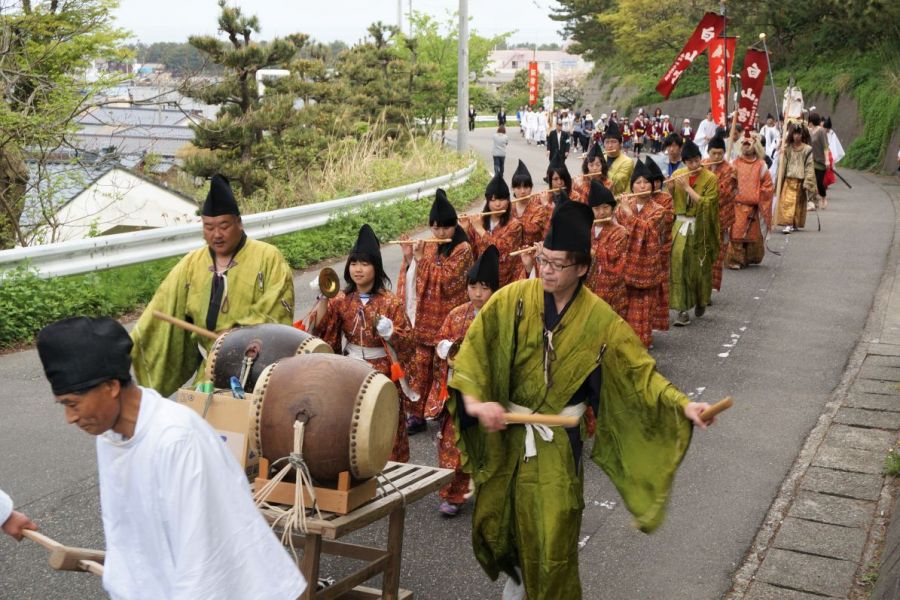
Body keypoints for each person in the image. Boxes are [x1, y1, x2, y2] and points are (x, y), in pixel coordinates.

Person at [447, 200, 715, 600]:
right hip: (506, 445)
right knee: (500, 529)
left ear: (583, 268)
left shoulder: (599, 320)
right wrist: (474, 401)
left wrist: (682, 405)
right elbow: (475, 354)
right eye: (543, 259)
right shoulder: (513, 300)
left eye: (558, 264)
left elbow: (640, 373)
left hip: (557, 449)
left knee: (552, 544)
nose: (547, 270)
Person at [36, 316, 306, 600]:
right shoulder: (110, 436)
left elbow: (204, 562)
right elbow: (127, 535)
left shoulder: (177, 440)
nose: (70, 418)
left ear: (111, 387)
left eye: (73, 404)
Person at [130, 175, 295, 397]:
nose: (216, 234)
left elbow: (276, 310)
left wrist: (235, 337)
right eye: (208, 227)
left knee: (250, 425)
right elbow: (163, 305)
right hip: (209, 368)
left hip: (254, 368)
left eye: (224, 226)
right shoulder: (192, 262)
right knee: (200, 418)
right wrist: (130, 342)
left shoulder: (267, 257)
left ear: (239, 223)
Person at [311, 224, 414, 462]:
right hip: (351, 369)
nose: (358, 269)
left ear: (375, 268)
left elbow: (410, 343)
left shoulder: (391, 302)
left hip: (383, 372)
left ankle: (392, 474)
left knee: (383, 423)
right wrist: (323, 299)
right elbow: (324, 331)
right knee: (351, 423)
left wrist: (392, 333)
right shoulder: (341, 300)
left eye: (365, 264)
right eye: (354, 263)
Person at [425, 246, 500, 517]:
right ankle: (453, 494)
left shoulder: (501, 315)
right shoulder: (457, 314)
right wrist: (443, 349)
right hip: (458, 389)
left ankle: (491, 495)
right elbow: (439, 344)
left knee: (490, 445)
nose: (478, 293)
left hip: (488, 390)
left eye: (484, 287)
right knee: (453, 444)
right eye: (472, 286)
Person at [398, 189, 474, 433]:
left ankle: (444, 412)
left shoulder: (463, 249)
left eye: (445, 227)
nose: (440, 233)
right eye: (435, 227)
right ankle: (417, 415)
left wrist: (421, 261)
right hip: (425, 320)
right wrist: (410, 259)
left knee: (445, 368)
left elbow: (447, 280)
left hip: (448, 320)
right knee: (421, 368)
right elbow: (416, 281)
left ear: (454, 226)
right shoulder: (429, 248)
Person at [667, 139, 720, 326]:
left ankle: (701, 300)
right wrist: (671, 189)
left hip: (700, 227)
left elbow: (708, 204)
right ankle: (681, 310)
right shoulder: (678, 174)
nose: (694, 165)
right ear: (684, 162)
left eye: (697, 160)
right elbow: (670, 202)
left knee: (699, 268)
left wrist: (688, 188)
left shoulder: (711, 178)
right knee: (678, 265)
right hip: (680, 226)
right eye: (690, 162)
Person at [616, 160, 668, 347]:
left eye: (646, 182)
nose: (642, 186)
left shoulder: (659, 210)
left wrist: (629, 215)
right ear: (632, 186)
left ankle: (643, 340)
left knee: (644, 305)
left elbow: (649, 231)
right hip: (626, 261)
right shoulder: (623, 206)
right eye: (638, 182)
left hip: (647, 264)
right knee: (624, 302)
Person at [464, 174, 525, 287]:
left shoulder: (514, 225)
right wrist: (465, 229)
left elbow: (502, 250)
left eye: (502, 199)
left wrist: (480, 230)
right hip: (482, 279)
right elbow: (471, 249)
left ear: (508, 201)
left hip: (506, 280)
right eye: (493, 199)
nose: (497, 204)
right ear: (487, 201)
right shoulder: (479, 221)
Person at [727, 132, 774, 269]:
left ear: (756, 146)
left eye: (749, 144)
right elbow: (728, 183)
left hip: (754, 207)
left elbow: (768, 186)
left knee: (752, 236)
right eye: (743, 144)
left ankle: (748, 258)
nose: (746, 147)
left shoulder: (761, 165)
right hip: (737, 206)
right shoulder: (733, 164)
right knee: (736, 233)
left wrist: (757, 196)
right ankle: (735, 260)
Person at [585, 181, 627, 318]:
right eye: (596, 209)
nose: (602, 212)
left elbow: (615, 257)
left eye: (605, 207)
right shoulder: (585, 228)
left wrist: (593, 252)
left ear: (612, 208)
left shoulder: (620, 231)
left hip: (610, 288)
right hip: (586, 285)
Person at [644, 157, 675, 334]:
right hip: (639, 252)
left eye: (656, 181)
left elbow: (666, 220)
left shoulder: (664, 199)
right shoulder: (635, 200)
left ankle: (656, 323)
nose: (653, 185)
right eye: (650, 182)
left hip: (660, 248)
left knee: (659, 287)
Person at [704, 132, 737, 293]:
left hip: (720, 218)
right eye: (713, 153)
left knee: (716, 254)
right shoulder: (702, 165)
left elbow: (723, 193)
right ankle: (699, 287)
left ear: (724, 153)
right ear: (708, 152)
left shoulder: (730, 170)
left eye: (720, 153)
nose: (716, 156)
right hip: (701, 217)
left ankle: (709, 289)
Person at [775, 121, 816, 234]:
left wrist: (808, 181)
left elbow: (809, 166)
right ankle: (788, 224)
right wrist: (781, 153)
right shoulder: (787, 148)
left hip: (801, 181)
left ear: (803, 135)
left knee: (798, 204)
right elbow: (782, 164)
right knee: (787, 202)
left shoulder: (807, 149)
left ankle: (794, 223)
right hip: (789, 180)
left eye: (799, 134)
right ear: (791, 134)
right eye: (795, 134)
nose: (797, 136)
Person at [511, 160, 551, 249]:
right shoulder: (508, 208)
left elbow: (535, 229)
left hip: (533, 255)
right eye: (518, 187)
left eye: (526, 187)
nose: (522, 191)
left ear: (531, 187)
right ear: (513, 189)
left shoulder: (538, 209)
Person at [602, 120, 635, 196]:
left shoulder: (628, 161)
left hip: (619, 199)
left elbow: (617, 183)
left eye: (613, 142)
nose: (610, 145)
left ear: (620, 144)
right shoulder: (601, 158)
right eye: (607, 142)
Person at [808, 112, 829, 209]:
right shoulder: (809, 131)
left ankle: (823, 197)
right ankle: (814, 200)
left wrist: (827, 160)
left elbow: (825, 146)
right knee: (812, 182)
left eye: (810, 121)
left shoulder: (821, 131)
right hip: (811, 160)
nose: (809, 123)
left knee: (819, 183)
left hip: (821, 161)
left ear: (812, 121)